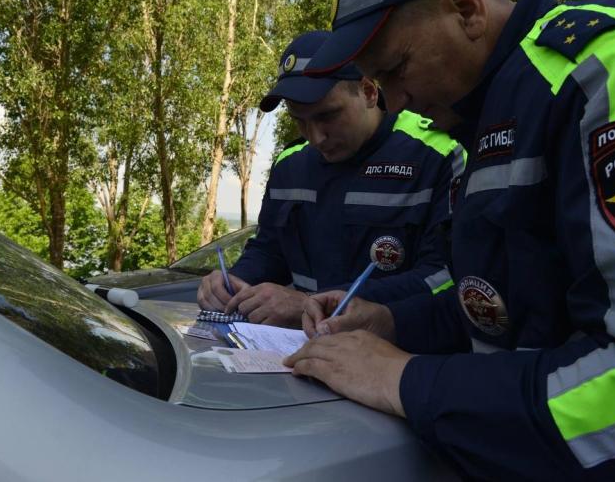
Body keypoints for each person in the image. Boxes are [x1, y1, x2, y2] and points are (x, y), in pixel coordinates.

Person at [285, 0, 615, 480]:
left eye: (394, 70)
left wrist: (405, 379)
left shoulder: (612, 67)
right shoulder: (487, 118)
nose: (392, 102)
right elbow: (507, 307)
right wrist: (392, 321)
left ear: (466, 9)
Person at [196, 30, 465, 327]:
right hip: (293, 351)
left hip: (394, 353)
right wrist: (233, 280)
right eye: (300, 121)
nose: (316, 137)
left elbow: (444, 276)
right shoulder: (290, 165)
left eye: (328, 116)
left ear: (368, 92)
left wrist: (313, 304)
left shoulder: (435, 153)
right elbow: (270, 249)